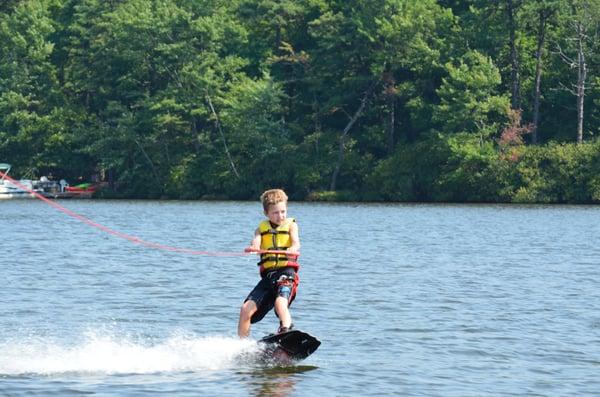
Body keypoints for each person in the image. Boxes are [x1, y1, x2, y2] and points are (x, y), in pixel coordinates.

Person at [238, 189, 300, 338]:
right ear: (266, 213)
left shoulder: (291, 225)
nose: (281, 216)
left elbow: (296, 242)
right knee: (246, 309)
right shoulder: (261, 229)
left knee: (280, 303)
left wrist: (293, 248)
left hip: (286, 274)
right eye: (276, 213)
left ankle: (286, 330)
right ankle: (242, 347)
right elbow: (256, 241)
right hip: (268, 278)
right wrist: (254, 248)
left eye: (283, 211)